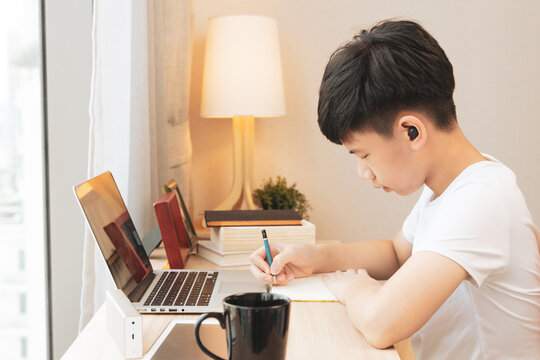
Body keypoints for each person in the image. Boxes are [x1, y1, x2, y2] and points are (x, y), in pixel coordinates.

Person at [249, 20, 540, 359]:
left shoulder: (481, 201)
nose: (363, 172)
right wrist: (315, 259)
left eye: (364, 154)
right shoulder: (454, 186)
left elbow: (379, 324)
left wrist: (353, 287)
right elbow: (397, 254)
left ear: (411, 131)